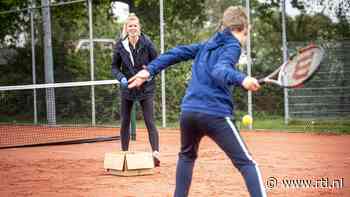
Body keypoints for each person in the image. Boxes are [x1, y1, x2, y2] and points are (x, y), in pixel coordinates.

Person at [128, 6, 267, 197]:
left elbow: (176, 53)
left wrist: (149, 70)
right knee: (247, 164)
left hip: (189, 113)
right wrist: (242, 79)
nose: (245, 39)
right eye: (247, 34)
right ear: (243, 28)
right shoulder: (233, 46)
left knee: (186, 157)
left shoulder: (207, 45)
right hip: (214, 114)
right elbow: (220, 70)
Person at [111, 13, 160, 166]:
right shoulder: (120, 45)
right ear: (126, 28)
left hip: (146, 88)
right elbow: (114, 67)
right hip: (128, 89)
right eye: (130, 26)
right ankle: (124, 155)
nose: (133, 28)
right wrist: (121, 78)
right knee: (125, 122)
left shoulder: (148, 43)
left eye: (135, 26)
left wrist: (149, 75)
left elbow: (157, 62)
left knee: (149, 121)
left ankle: (156, 155)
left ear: (139, 28)